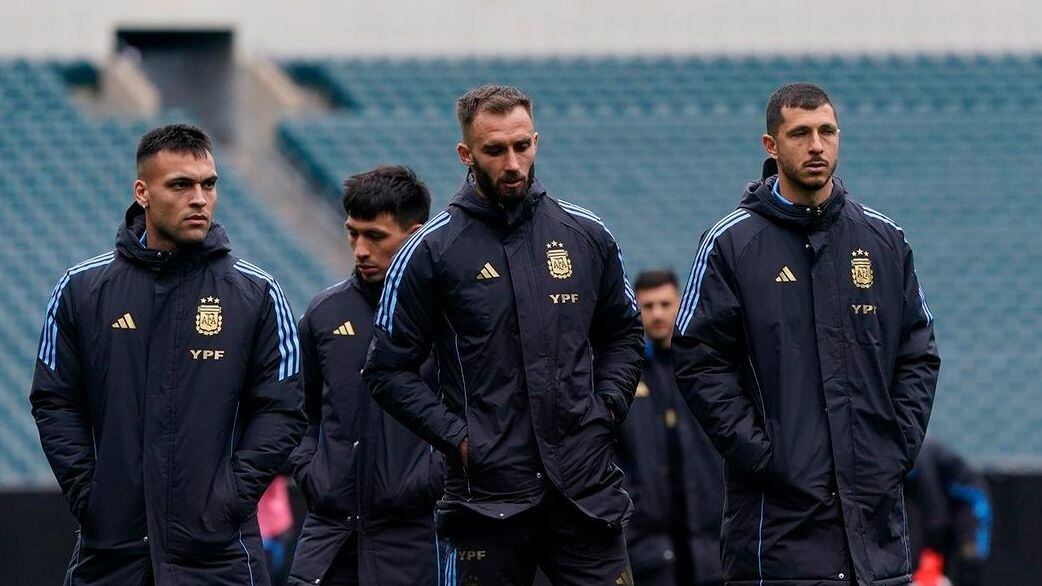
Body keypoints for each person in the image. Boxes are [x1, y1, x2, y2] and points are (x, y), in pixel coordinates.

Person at [362, 84, 644, 586]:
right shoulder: (431, 250)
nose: (512, 163)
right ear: (466, 154)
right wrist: (461, 439)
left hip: (585, 493)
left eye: (522, 146)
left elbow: (623, 333)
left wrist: (607, 408)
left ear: (536, 140)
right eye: (495, 150)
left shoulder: (586, 235)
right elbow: (386, 369)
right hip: (485, 502)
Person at [673, 83, 941, 584]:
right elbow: (697, 360)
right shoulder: (731, 244)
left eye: (827, 131)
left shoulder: (884, 241)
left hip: (876, 540)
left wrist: (895, 446)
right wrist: (763, 453)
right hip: (778, 537)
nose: (816, 145)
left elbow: (918, 353)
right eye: (800, 133)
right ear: (771, 146)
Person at [30, 123, 306, 585]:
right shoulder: (82, 289)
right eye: (180, 185)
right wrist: (90, 494)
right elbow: (54, 400)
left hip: (219, 557)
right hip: (111, 555)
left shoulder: (256, 293)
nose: (199, 198)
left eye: (208, 184)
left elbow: (284, 410)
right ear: (143, 191)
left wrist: (229, 497)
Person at [287, 165, 443, 586]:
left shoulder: (448, 321)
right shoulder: (323, 313)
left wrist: (424, 482)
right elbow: (301, 414)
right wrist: (313, 474)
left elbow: (473, 415)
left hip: (410, 540)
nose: (359, 249)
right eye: (353, 233)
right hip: (327, 539)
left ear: (414, 236)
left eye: (375, 236)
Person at [615, 269, 723, 585]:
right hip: (651, 542)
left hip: (709, 535)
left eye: (665, 304)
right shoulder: (626, 374)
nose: (657, 313)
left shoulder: (704, 368)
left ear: (679, 303)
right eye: (648, 306)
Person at [906, 439, 991, 586]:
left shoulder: (921, 457)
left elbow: (936, 513)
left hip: (970, 505)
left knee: (969, 561)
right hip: (949, 505)